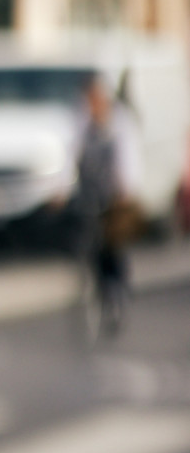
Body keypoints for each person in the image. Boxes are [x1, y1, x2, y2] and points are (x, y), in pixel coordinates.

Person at [74, 75, 137, 335]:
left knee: (114, 248)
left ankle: (117, 292)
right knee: (92, 249)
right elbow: (72, 155)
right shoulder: (82, 125)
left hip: (113, 197)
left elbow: (129, 160)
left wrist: (125, 190)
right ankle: (99, 291)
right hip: (90, 195)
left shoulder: (119, 125)